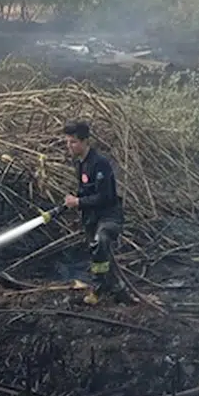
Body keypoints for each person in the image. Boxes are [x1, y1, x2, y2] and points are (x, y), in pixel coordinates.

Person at [62, 120, 128, 305]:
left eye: (73, 142)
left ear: (85, 141)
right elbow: (86, 191)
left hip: (109, 216)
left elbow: (105, 197)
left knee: (101, 242)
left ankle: (98, 291)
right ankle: (118, 291)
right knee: (100, 255)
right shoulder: (80, 164)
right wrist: (74, 201)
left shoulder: (100, 163)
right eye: (67, 142)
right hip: (92, 217)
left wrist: (79, 202)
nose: (69, 146)